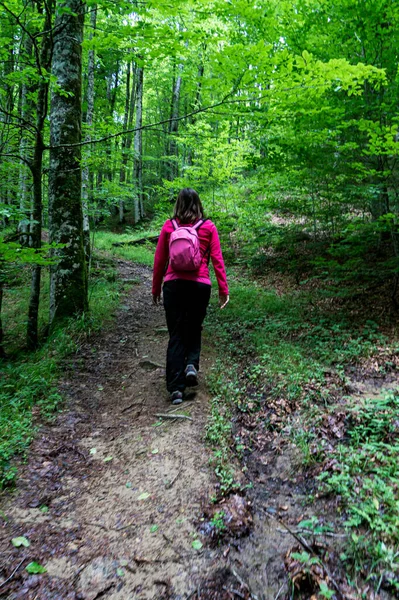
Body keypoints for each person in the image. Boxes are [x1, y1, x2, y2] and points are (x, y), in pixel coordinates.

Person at [152, 188, 229, 404]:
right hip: (199, 286)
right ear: (198, 204)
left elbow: (159, 261)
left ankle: (176, 390)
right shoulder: (208, 227)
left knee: (176, 334)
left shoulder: (169, 226)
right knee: (194, 327)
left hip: (173, 285)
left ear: (178, 204)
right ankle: (191, 365)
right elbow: (217, 260)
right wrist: (223, 290)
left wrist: (155, 288)